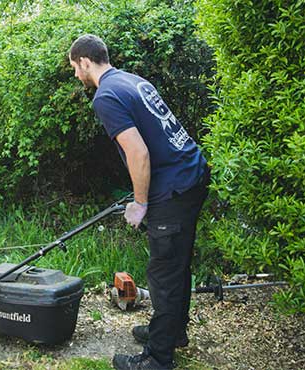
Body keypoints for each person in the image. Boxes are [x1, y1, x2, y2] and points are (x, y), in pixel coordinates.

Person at [69, 34, 209, 370]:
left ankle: (158, 359)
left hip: (173, 187)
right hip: (192, 174)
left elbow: (138, 152)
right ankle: (172, 333)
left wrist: (141, 203)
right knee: (176, 267)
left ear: (85, 62)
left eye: (74, 67)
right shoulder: (132, 80)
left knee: (163, 271)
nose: (75, 75)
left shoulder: (106, 96)